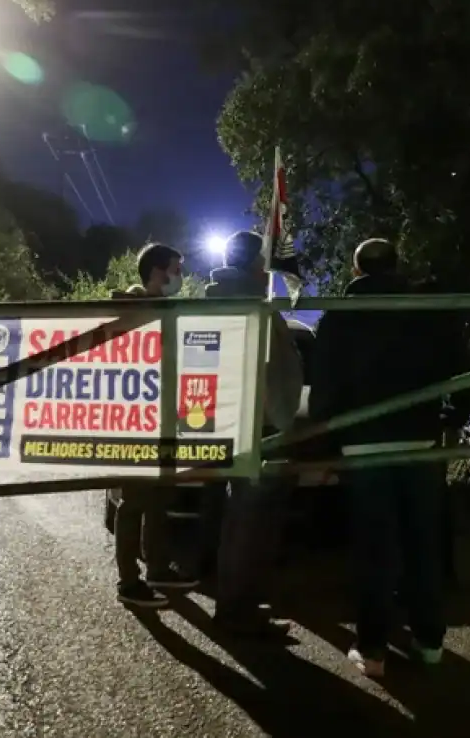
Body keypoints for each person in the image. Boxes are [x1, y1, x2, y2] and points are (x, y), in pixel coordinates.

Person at [309, 238, 469, 677]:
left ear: (356, 270)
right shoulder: (423, 311)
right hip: (419, 440)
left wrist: (325, 444)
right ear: (397, 266)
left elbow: (324, 383)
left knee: (374, 549)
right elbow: (461, 364)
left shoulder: (340, 316)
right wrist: (454, 414)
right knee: (423, 543)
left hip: (363, 445)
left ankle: (374, 649)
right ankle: (429, 641)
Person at [205, 230, 305, 638]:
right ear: (252, 264)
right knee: (249, 521)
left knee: (240, 520)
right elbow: (264, 370)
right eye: (263, 261)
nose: (267, 268)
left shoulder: (217, 300)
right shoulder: (247, 304)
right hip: (256, 425)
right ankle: (236, 612)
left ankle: (238, 607)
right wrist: (277, 419)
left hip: (231, 423)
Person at [111, 243, 198, 607]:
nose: (180, 277)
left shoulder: (167, 310)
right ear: (157, 272)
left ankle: (158, 568)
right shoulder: (130, 311)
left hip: (164, 419)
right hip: (135, 422)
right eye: (176, 270)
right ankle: (129, 582)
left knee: (160, 498)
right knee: (134, 502)